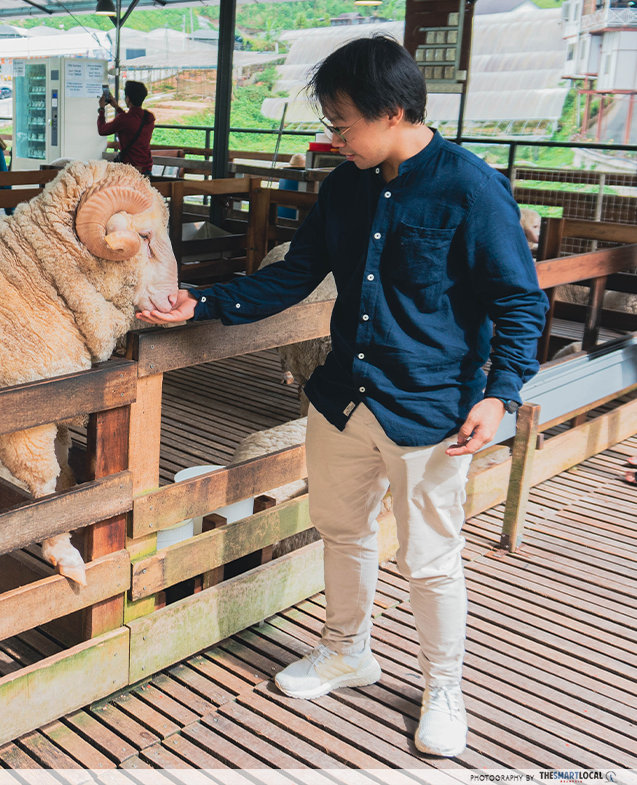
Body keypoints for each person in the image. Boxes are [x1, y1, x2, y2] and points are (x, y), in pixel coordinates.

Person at [136, 35, 548, 758]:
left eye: (342, 123)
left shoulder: (471, 188)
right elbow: (293, 277)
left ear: (392, 113)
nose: (334, 138)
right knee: (344, 531)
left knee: (430, 558)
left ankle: (444, 686)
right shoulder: (345, 188)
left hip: (431, 411)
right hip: (340, 399)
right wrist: (201, 301)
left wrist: (500, 393)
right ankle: (347, 650)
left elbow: (518, 302)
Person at [97, 80, 154, 176]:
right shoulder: (149, 117)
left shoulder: (124, 119)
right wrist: (116, 107)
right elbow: (132, 121)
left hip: (130, 170)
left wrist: (101, 110)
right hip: (146, 169)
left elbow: (102, 130)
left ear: (127, 98)